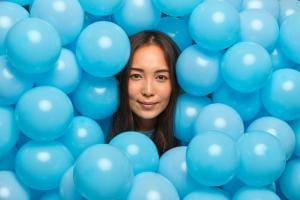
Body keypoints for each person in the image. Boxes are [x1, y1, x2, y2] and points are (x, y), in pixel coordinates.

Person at [107, 30, 180, 155]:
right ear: (122, 79)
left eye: (161, 77)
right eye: (136, 76)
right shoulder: (103, 131)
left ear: (175, 82)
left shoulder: (186, 142)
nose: (148, 91)